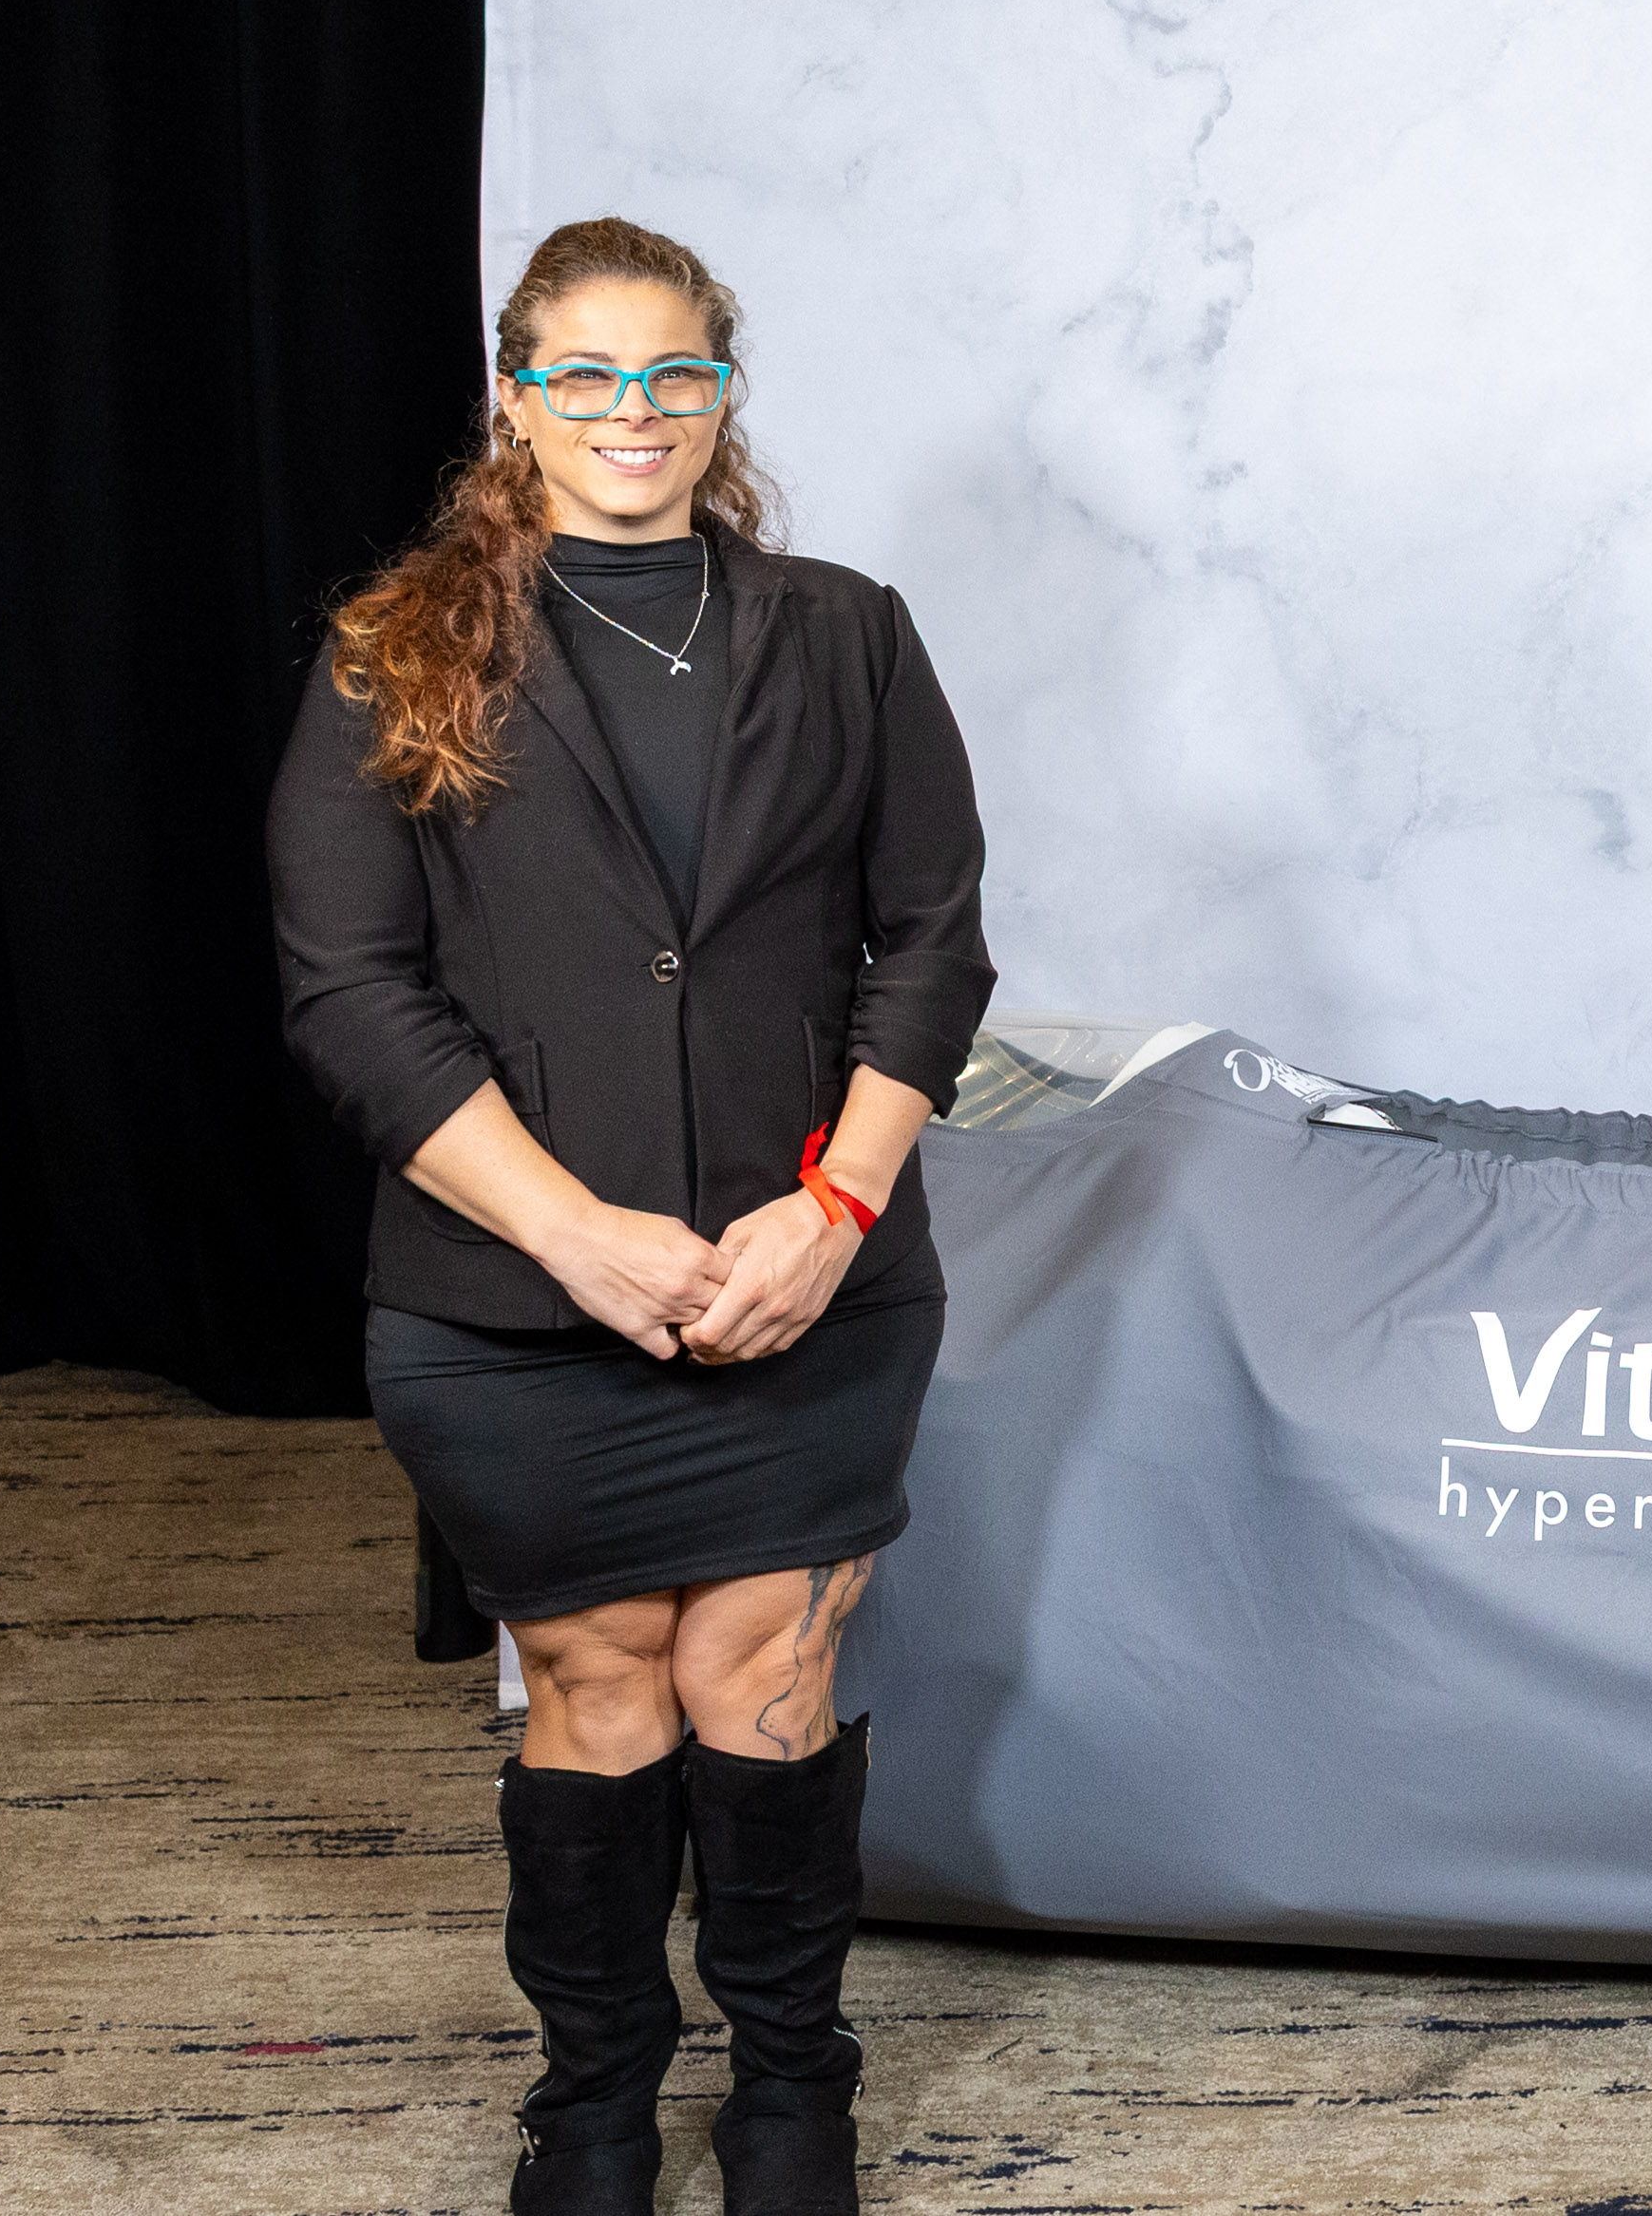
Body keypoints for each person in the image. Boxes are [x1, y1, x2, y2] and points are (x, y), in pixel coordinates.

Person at [268, 218, 994, 2215]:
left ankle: (792, 2090)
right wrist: (574, 1232)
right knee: (596, 1684)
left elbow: (929, 946)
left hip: (811, 1281)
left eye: (674, 373)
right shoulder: (393, 650)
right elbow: (350, 992)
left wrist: (833, 1209)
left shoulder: (847, 631)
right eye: (584, 375)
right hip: (506, 1303)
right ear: (517, 397)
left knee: (765, 1674)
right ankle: (591, 2101)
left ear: (722, 393)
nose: (632, 412)